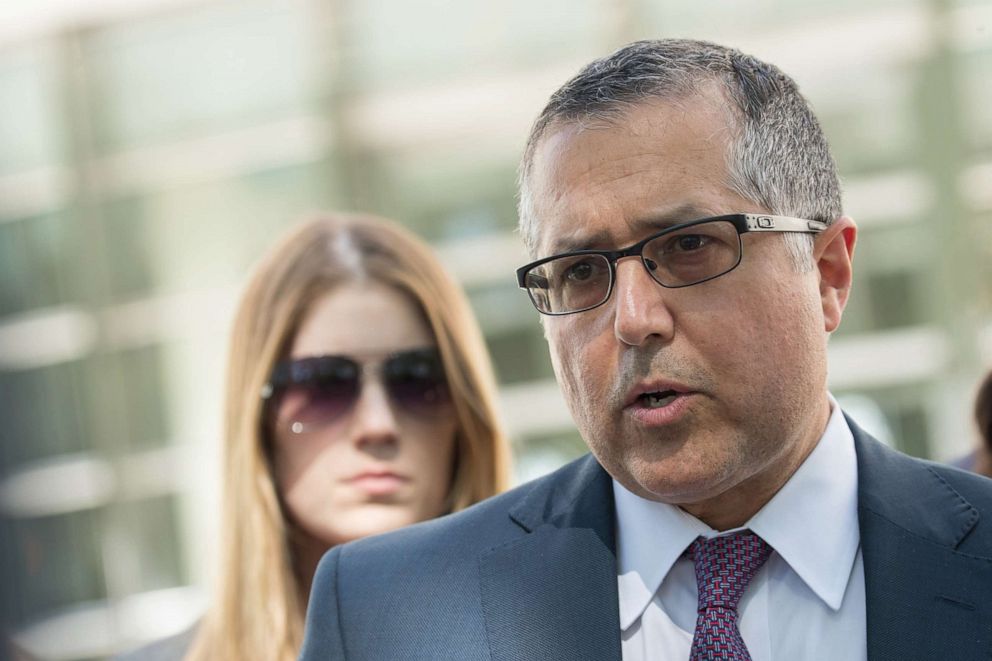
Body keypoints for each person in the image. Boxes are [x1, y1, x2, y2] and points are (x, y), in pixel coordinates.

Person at [300, 39, 992, 661]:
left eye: (689, 246)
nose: (633, 319)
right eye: (579, 271)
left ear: (828, 276)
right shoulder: (385, 617)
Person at [120, 213, 511, 660]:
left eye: (417, 380)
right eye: (324, 385)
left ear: (464, 413)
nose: (378, 424)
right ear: (258, 420)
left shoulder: (561, 639)